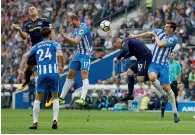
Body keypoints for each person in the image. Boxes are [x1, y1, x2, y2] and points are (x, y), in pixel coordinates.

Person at [129, 20, 180, 123]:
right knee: (152, 78)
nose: (164, 27)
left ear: (171, 29)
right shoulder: (159, 31)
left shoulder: (173, 39)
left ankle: (175, 113)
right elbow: (148, 33)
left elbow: (160, 44)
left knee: (168, 88)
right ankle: (163, 95)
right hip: (154, 63)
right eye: (165, 26)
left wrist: (154, 35)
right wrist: (135, 36)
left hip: (164, 66)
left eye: (167, 27)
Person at [19, 27, 64, 129]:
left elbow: (25, 56)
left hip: (42, 74)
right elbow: (60, 55)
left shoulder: (37, 46)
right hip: (53, 73)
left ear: (41, 35)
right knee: (55, 97)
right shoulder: (55, 44)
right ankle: (55, 120)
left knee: (38, 99)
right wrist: (62, 66)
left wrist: (21, 71)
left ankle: (35, 122)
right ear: (49, 35)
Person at [12, 5, 56, 107]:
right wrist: (19, 29)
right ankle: (26, 80)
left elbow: (51, 32)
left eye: (33, 8)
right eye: (29, 9)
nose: (31, 9)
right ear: (28, 13)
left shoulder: (44, 21)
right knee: (28, 67)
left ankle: (49, 96)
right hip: (35, 49)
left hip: (44, 50)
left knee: (45, 73)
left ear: (37, 11)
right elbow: (24, 37)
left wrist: (53, 44)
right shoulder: (28, 25)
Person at [59, 14, 92, 106]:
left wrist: (65, 37)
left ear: (75, 20)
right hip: (78, 54)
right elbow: (73, 42)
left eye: (70, 22)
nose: (69, 24)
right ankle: (61, 98)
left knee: (84, 74)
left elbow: (76, 41)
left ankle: (83, 98)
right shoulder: (75, 30)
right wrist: (64, 38)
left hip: (86, 54)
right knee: (70, 74)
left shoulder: (83, 27)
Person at [160, 52, 181, 118]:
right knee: (165, 98)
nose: (171, 56)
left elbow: (179, 73)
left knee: (175, 98)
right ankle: (162, 114)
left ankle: (176, 114)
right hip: (166, 82)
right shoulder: (165, 63)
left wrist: (179, 82)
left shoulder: (177, 63)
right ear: (168, 56)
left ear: (174, 56)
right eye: (170, 55)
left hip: (174, 82)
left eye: (172, 55)